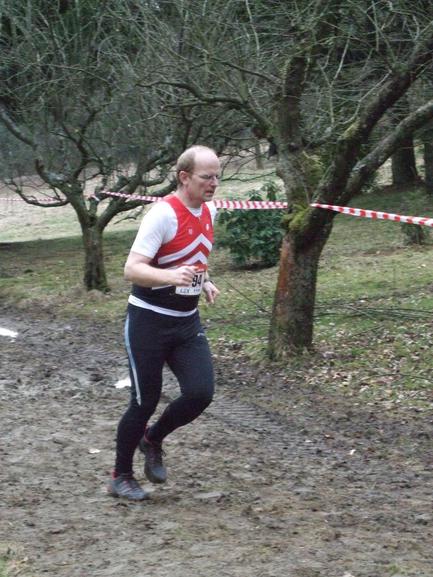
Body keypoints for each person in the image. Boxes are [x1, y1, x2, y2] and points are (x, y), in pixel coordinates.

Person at [108, 145, 221, 500]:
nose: (214, 183)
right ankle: (120, 476)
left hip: (186, 323)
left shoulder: (210, 210)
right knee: (144, 401)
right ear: (184, 177)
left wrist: (205, 280)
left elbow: (193, 255)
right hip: (149, 322)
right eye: (207, 177)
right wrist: (172, 277)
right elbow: (132, 270)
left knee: (201, 393)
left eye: (217, 176)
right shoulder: (162, 214)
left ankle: (152, 439)